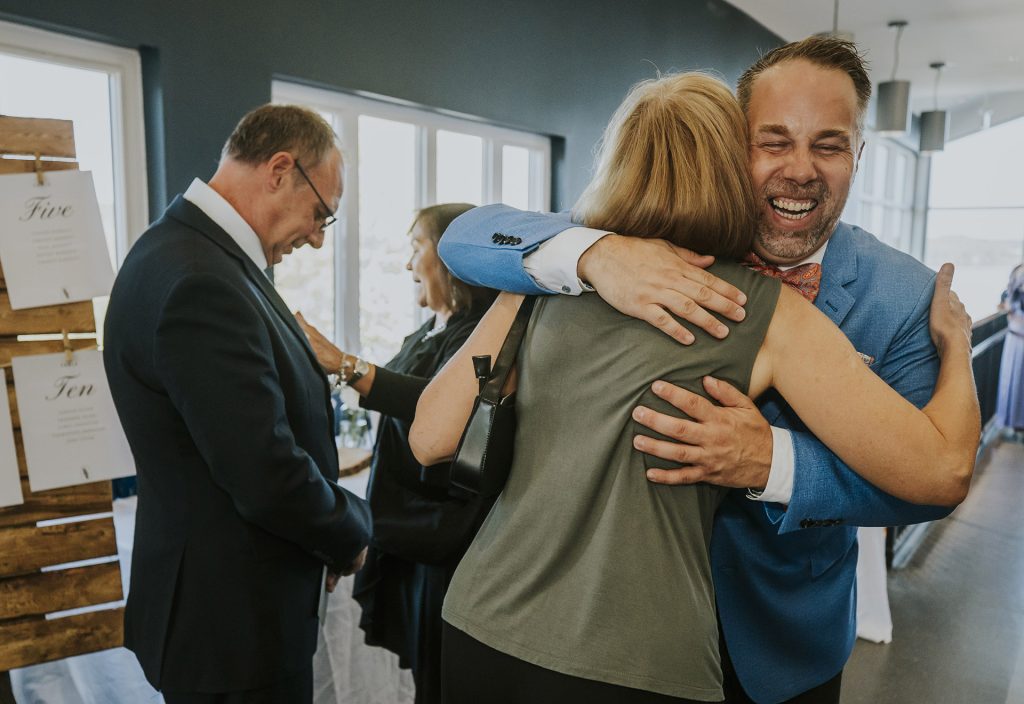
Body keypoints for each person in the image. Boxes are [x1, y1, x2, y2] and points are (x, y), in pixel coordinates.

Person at [410, 71, 978, 704]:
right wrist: (590, 255)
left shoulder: (534, 290)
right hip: (642, 657)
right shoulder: (577, 262)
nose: (798, 168)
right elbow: (945, 464)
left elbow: (429, 438)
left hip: (488, 623)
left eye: (827, 144)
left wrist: (774, 461)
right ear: (733, 155)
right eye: (773, 141)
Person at [103, 105, 371, 704]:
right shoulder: (203, 280)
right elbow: (263, 468)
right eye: (321, 213)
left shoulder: (183, 252)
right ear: (280, 169)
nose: (318, 237)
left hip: (221, 613)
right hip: (230, 628)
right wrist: (349, 529)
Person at [295, 203, 497, 704]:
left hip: (448, 538)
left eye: (416, 248)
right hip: (407, 531)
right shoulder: (423, 333)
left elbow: (432, 402)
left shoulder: (481, 337)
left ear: (452, 257)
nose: (409, 266)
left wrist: (343, 363)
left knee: (443, 675)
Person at [997, 263, 1024, 432]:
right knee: (1014, 380)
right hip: (1016, 338)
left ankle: (1015, 422)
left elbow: (1006, 304)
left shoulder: (1018, 272)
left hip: (1017, 338)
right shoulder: (1018, 273)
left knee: (1016, 380)